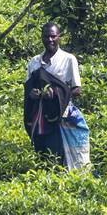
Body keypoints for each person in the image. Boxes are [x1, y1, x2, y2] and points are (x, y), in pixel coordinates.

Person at [24, 23, 81, 166]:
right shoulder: (34, 62)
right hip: (39, 115)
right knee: (41, 151)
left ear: (59, 37)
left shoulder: (68, 59)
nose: (50, 39)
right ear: (41, 38)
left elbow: (77, 89)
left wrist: (56, 95)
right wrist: (33, 94)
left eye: (53, 36)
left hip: (60, 114)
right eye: (46, 36)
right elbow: (28, 88)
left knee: (59, 153)